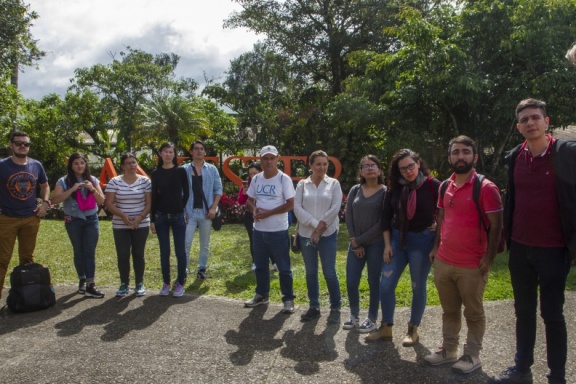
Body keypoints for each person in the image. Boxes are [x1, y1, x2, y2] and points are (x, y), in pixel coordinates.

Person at [490, 99, 576, 384]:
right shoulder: (515, 156)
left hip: (554, 250)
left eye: (536, 117)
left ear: (547, 121)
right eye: (525, 119)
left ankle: (557, 377)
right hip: (521, 249)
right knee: (523, 311)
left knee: (552, 314)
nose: (531, 123)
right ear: (518, 126)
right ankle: (522, 368)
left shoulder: (566, 152)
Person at [424, 135, 503, 374]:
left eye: (466, 152)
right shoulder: (444, 186)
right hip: (444, 262)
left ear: (474, 157)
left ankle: (472, 355)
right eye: (456, 152)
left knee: (473, 312)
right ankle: (449, 351)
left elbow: (497, 226)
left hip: (472, 265)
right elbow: (441, 218)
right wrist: (436, 248)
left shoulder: (486, 188)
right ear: (449, 157)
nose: (461, 156)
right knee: (449, 310)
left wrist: (488, 258)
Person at [366, 149, 439, 344]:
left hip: (422, 242)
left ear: (418, 163)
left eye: (411, 166)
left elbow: (446, 213)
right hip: (397, 241)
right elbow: (386, 217)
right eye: (403, 169)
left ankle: (413, 329)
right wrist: (388, 244)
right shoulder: (395, 188)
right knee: (386, 285)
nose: (408, 171)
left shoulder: (434, 186)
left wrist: (437, 235)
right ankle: (386, 328)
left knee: (417, 285)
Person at [244, 145, 296, 314]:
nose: (268, 161)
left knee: (283, 268)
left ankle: (288, 299)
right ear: (261, 160)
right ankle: (261, 294)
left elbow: (291, 204)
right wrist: (254, 210)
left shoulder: (284, 179)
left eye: (271, 158)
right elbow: (249, 200)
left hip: (278, 231)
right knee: (260, 266)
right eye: (265, 158)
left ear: (277, 159)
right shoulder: (257, 179)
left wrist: (269, 213)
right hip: (258, 231)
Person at [0, 131, 50, 300]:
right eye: (19, 143)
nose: (22, 146)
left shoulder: (36, 165)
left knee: (27, 260)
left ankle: (27, 296)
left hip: (30, 218)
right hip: (6, 218)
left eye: (26, 144)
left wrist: (45, 203)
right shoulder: (2, 165)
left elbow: (45, 185)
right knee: (2, 259)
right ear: (11, 145)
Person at [294, 150, 343, 321]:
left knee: (329, 272)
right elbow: (297, 209)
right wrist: (316, 226)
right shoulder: (302, 185)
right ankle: (314, 306)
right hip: (306, 236)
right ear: (311, 166)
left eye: (325, 164)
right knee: (311, 272)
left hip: (328, 235)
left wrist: (320, 229)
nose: (322, 167)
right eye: (318, 164)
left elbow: (335, 207)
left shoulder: (334, 184)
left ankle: (336, 307)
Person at [52, 153, 106, 298]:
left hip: (91, 220)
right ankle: (82, 279)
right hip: (73, 220)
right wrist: (71, 189)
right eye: (76, 163)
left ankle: (90, 283)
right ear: (71, 165)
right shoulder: (63, 181)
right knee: (78, 251)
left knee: (90, 251)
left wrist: (92, 189)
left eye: (82, 163)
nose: (80, 166)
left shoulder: (93, 180)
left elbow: (101, 201)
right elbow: (55, 199)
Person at [343, 155, 386, 333]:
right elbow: (348, 215)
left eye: (373, 165)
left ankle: (372, 318)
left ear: (379, 170)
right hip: (355, 244)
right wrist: (354, 240)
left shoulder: (385, 192)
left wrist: (358, 241)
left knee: (373, 281)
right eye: (365, 166)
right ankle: (354, 315)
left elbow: (382, 223)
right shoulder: (355, 189)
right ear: (360, 171)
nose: (369, 168)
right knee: (352, 281)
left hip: (376, 245)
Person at [105, 153, 152, 297]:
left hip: (141, 223)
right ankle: (124, 283)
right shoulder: (115, 181)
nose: (132, 165)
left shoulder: (145, 181)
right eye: (128, 163)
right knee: (123, 254)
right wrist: (123, 216)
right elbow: (108, 203)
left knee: (138, 254)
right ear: (123, 166)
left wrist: (139, 218)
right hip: (120, 224)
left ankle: (139, 283)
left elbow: (149, 203)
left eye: (134, 162)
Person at [150, 142, 190, 298]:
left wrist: (181, 207)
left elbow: (186, 193)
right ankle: (166, 282)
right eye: (165, 152)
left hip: (178, 216)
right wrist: (152, 218)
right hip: (161, 217)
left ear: (175, 154)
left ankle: (180, 282)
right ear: (160, 154)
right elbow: (153, 196)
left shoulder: (181, 171)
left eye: (171, 152)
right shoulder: (156, 173)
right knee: (164, 251)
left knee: (180, 251)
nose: (168, 154)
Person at [182, 140, 222, 280]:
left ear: (205, 152)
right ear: (191, 152)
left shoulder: (212, 169)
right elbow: (180, 192)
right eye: (196, 149)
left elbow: (218, 190)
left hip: (206, 213)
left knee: (204, 244)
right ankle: (184, 270)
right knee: (186, 243)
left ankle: (202, 269)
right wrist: (182, 211)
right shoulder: (184, 169)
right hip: (189, 212)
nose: (199, 151)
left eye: (202, 149)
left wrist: (213, 208)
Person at [238, 161, 277, 271]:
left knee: (269, 239)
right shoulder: (246, 185)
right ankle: (256, 261)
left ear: (260, 171)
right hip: (250, 216)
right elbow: (240, 201)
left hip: (265, 215)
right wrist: (245, 194)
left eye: (255, 173)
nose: (252, 176)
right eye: (250, 174)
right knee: (254, 239)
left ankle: (274, 262)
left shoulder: (267, 182)